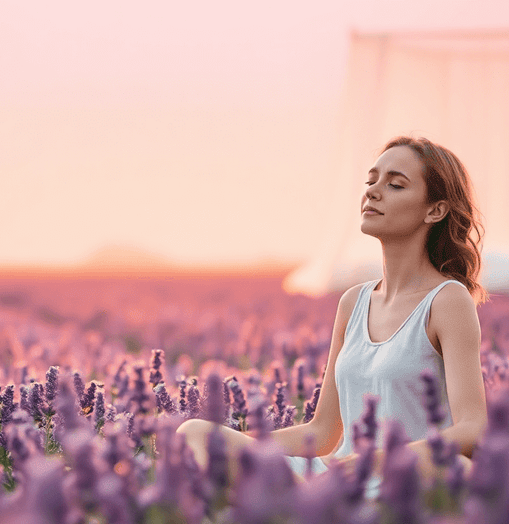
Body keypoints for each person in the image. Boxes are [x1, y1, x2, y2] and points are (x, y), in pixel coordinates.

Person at [176, 136, 488, 484]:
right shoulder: (353, 302)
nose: (373, 191)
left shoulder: (447, 300)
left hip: (399, 478)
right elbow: (324, 431)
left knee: (458, 470)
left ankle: (299, 514)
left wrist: (381, 460)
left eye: (395, 184)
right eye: (371, 181)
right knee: (194, 433)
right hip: (334, 474)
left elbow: (473, 429)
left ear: (435, 210)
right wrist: (240, 447)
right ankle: (309, 509)